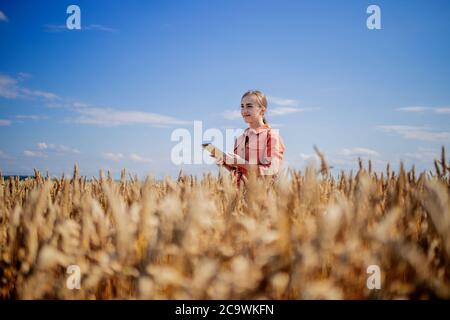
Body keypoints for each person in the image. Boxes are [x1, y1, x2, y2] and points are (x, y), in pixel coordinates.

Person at [214, 90, 285, 187]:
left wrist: (241, 162)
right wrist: (226, 164)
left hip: (263, 196)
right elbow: (239, 172)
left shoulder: (271, 136)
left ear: (262, 110)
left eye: (249, 106)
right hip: (241, 196)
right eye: (242, 106)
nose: (244, 111)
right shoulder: (240, 139)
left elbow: (272, 170)